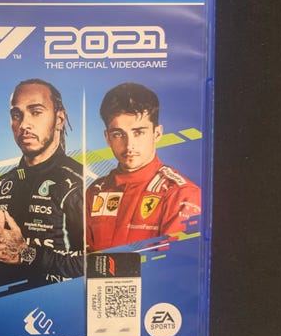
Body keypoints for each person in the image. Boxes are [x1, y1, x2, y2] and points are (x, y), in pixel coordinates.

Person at [0, 79, 83, 294]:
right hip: (2, 305)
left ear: (59, 119)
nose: (24, 124)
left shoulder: (80, 183)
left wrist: (27, 254)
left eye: (36, 112)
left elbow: (98, 263)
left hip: (57, 304)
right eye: (17, 115)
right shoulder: (1, 185)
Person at [86, 82, 201, 252]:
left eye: (138, 132)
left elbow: (173, 263)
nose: (129, 145)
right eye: (118, 134)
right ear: (107, 138)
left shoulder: (181, 195)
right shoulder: (95, 191)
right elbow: (83, 261)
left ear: (157, 133)